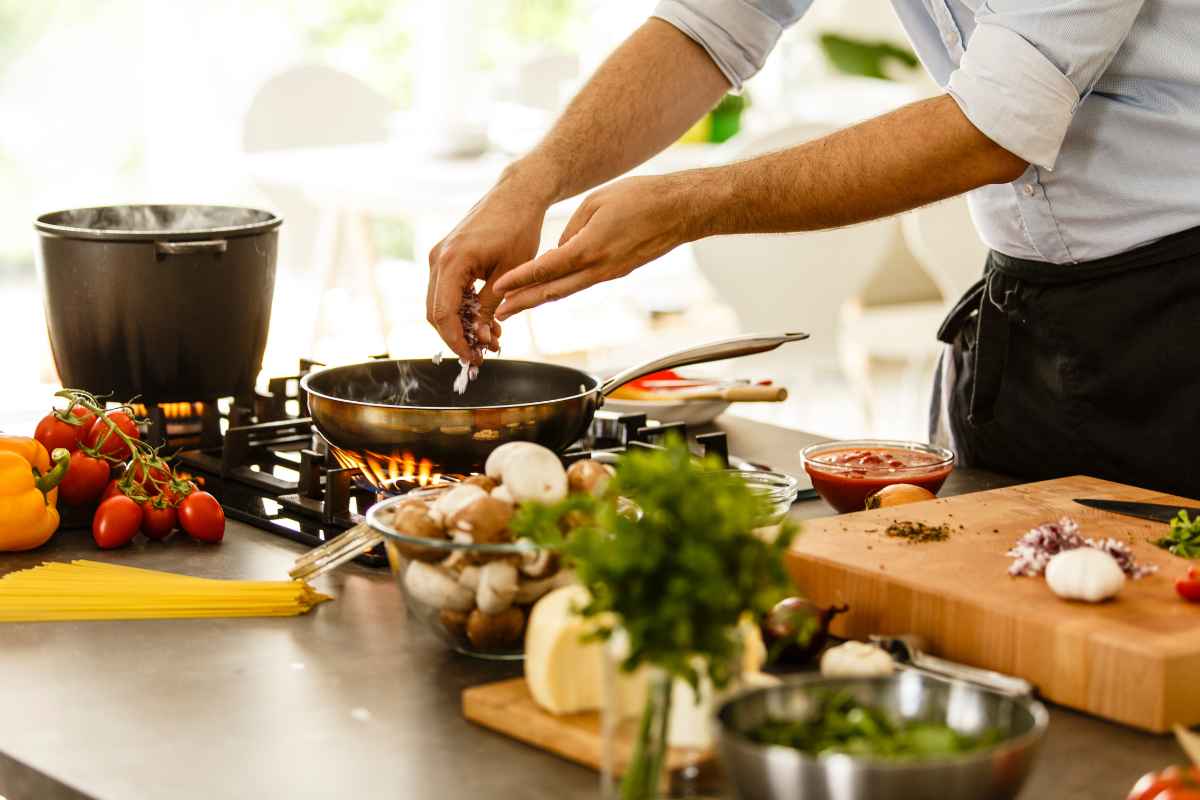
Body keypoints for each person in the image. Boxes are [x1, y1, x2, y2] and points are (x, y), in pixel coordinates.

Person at [426, 1, 1200, 496]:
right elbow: (714, 20)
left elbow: (994, 127)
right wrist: (530, 182)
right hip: (1020, 316)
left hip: (1180, 314)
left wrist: (689, 204)